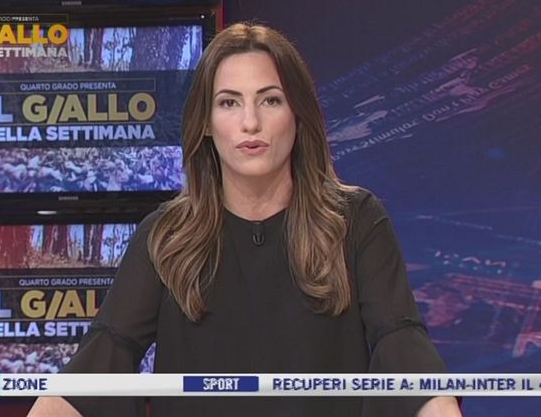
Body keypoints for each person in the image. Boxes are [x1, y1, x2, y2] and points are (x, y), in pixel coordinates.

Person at [28, 22, 462, 417]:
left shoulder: (356, 221)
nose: (250, 122)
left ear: (297, 115)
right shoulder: (166, 235)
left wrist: (439, 406)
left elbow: (399, 339)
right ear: (206, 123)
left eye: (270, 100)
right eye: (229, 102)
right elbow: (106, 353)